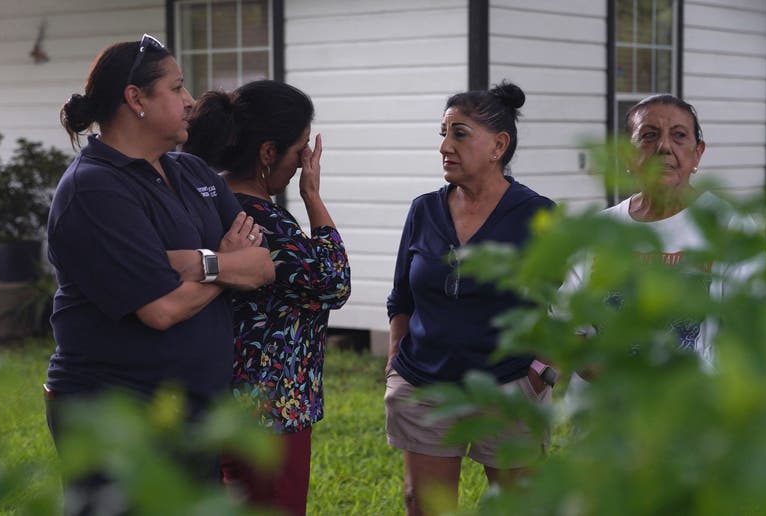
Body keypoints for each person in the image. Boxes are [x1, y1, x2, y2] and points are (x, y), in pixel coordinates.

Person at [46, 34, 275, 513]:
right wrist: (223, 263)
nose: (191, 101)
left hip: (194, 409)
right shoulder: (94, 188)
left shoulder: (193, 172)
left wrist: (192, 263)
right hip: (117, 413)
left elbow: (260, 264)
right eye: (177, 88)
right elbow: (161, 308)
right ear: (136, 100)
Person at [384, 81, 557, 516]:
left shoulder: (537, 215)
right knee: (423, 506)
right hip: (425, 384)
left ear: (499, 145)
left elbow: (563, 306)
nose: (445, 145)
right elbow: (401, 297)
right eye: (442, 133)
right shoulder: (423, 209)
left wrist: (540, 372)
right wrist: (394, 363)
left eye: (459, 134)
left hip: (508, 386)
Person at [183, 80, 351, 516]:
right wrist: (314, 198)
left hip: (216, 405)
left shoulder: (211, 204)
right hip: (271, 416)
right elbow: (335, 281)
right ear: (267, 153)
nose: (302, 165)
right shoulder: (264, 224)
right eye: (299, 152)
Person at [560, 93, 762, 401]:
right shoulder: (598, 232)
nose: (664, 147)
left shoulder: (729, 228)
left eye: (679, 136)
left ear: (697, 154)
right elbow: (567, 325)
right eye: (649, 136)